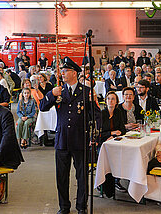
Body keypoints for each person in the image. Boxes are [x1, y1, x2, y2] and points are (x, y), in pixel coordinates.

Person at [40, 57, 101, 214]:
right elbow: (42, 108)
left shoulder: (86, 92)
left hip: (80, 139)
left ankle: (81, 206)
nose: (62, 74)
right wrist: (50, 95)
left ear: (74, 73)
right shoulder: (58, 91)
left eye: (65, 71)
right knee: (61, 176)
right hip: (62, 139)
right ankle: (64, 206)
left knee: (81, 176)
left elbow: (96, 115)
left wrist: (95, 136)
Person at [101, 91, 127, 193]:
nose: (110, 101)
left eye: (113, 99)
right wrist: (111, 133)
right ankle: (103, 182)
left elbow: (123, 130)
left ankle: (117, 180)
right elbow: (98, 133)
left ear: (116, 102)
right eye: (108, 99)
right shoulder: (102, 114)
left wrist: (115, 135)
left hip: (116, 142)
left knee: (123, 156)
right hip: (103, 143)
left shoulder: (118, 112)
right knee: (109, 158)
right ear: (106, 101)